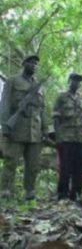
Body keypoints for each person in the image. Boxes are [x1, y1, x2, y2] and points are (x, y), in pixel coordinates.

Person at [0, 55, 47, 200]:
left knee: (33, 165)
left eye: (36, 64)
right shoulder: (12, 81)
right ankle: (6, 191)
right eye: (31, 63)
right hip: (16, 128)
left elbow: (42, 110)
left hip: (35, 131)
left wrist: (45, 130)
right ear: (24, 64)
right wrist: (5, 126)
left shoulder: (40, 87)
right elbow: (5, 104)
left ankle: (30, 192)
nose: (34, 65)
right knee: (11, 161)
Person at [53, 73, 82, 201]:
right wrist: (58, 136)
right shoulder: (61, 97)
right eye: (75, 80)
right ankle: (63, 194)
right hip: (67, 138)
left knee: (80, 168)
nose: (77, 83)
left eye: (79, 81)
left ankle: (76, 193)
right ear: (70, 81)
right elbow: (56, 117)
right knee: (65, 167)